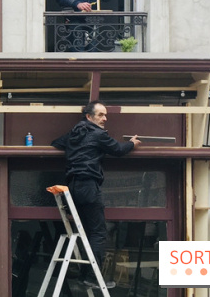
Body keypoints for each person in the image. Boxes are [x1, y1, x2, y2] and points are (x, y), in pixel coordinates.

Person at [51, 101, 141, 289]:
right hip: (88, 185)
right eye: (100, 115)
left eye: (105, 115)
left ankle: (85, 276)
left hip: (73, 188)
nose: (105, 118)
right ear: (89, 117)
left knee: (85, 233)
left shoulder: (74, 134)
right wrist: (132, 143)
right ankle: (92, 278)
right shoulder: (97, 134)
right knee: (98, 233)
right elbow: (118, 150)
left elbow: (56, 143)